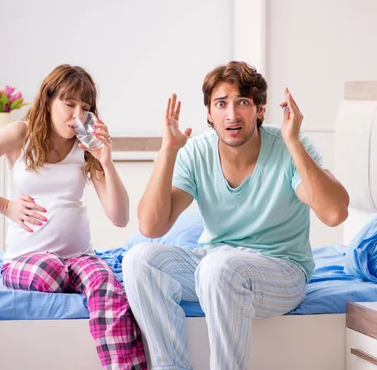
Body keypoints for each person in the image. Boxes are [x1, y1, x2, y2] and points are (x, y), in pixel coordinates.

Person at [122, 61, 350, 370]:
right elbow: (152, 225)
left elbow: (335, 213)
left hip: (281, 271)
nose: (232, 114)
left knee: (218, 267)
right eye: (221, 103)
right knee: (139, 260)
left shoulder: (287, 146)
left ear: (259, 109)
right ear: (208, 113)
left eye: (242, 102)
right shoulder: (197, 151)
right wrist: (168, 151)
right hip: (213, 268)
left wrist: (293, 141)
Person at [0, 64, 147, 370]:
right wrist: (6, 206)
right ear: (49, 100)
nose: (78, 114)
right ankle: (67, 277)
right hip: (26, 259)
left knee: (107, 285)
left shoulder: (87, 148)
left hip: (79, 255)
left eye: (86, 107)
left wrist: (106, 159)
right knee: (51, 271)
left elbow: (119, 217)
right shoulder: (19, 134)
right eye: (69, 104)